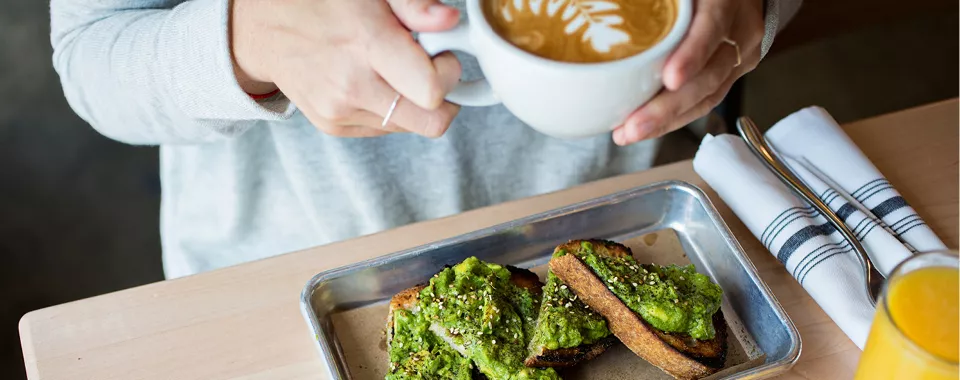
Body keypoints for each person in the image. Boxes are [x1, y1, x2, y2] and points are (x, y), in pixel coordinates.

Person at [49, 0, 800, 279]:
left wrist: (751, 14)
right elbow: (91, 57)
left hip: (616, 230)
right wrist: (251, 36)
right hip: (274, 269)